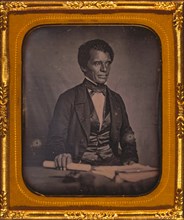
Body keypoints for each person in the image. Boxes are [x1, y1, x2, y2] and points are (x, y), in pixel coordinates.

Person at [46, 39, 138, 170]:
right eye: (97, 63)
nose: (104, 69)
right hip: (79, 166)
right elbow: (56, 138)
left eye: (107, 63)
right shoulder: (67, 98)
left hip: (112, 165)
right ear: (84, 67)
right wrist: (60, 154)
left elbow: (127, 135)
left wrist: (130, 159)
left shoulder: (117, 99)